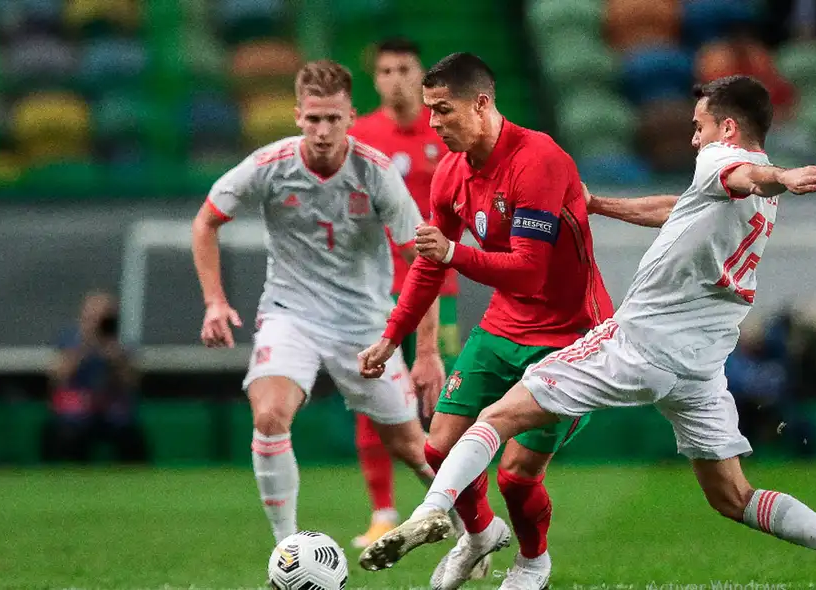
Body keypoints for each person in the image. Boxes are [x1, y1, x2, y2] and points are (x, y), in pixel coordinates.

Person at [360, 75, 816, 590]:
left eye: (698, 127)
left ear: (726, 128)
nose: (695, 141)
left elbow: (741, 172)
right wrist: (599, 204)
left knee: (495, 418)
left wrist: (782, 176)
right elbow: (681, 209)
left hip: (639, 343)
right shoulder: (749, 194)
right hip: (699, 366)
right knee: (733, 496)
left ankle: (431, 512)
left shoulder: (731, 162)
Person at [356, 52, 617, 589]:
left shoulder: (538, 160)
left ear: (482, 103)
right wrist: (392, 337)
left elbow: (527, 272)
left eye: (444, 110)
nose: (433, 123)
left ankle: (533, 564)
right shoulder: (451, 172)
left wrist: (453, 252)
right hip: (504, 327)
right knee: (438, 445)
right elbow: (429, 264)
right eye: (429, 111)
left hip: (572, 337)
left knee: (517, 475)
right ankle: (478, 535)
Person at [190, 59, 448, 545]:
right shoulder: (270, 166)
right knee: (268, 415)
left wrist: (428, 351)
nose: (323, 130)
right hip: (291, 316)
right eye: (313, 119)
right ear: (297, 117)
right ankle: (286, 549)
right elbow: (206, 220)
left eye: (333, 119)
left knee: (412, 447)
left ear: (351, 117)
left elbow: (424, 259)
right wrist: (214, 302)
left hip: (364, 326)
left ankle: (473, 532)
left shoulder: (376, 173)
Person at [347, 37, 458, 550]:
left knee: (445, 402)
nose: (395, 78)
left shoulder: (447, 133)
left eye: (404, 68)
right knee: (375, 399)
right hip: (375, 291)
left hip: (440, 287)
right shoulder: (360, 135)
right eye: (385, 69)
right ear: (375, 79)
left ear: (421, 74)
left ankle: (454, 508)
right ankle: (383, 512)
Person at [43, 291, 147, 463]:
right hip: (77, 411)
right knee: (66, 434)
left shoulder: (120, 343)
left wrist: (115, 357)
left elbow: (132, 383)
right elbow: (58, 377)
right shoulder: (70, 340)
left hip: (111, 411)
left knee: (128, 436)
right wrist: (83, 346)